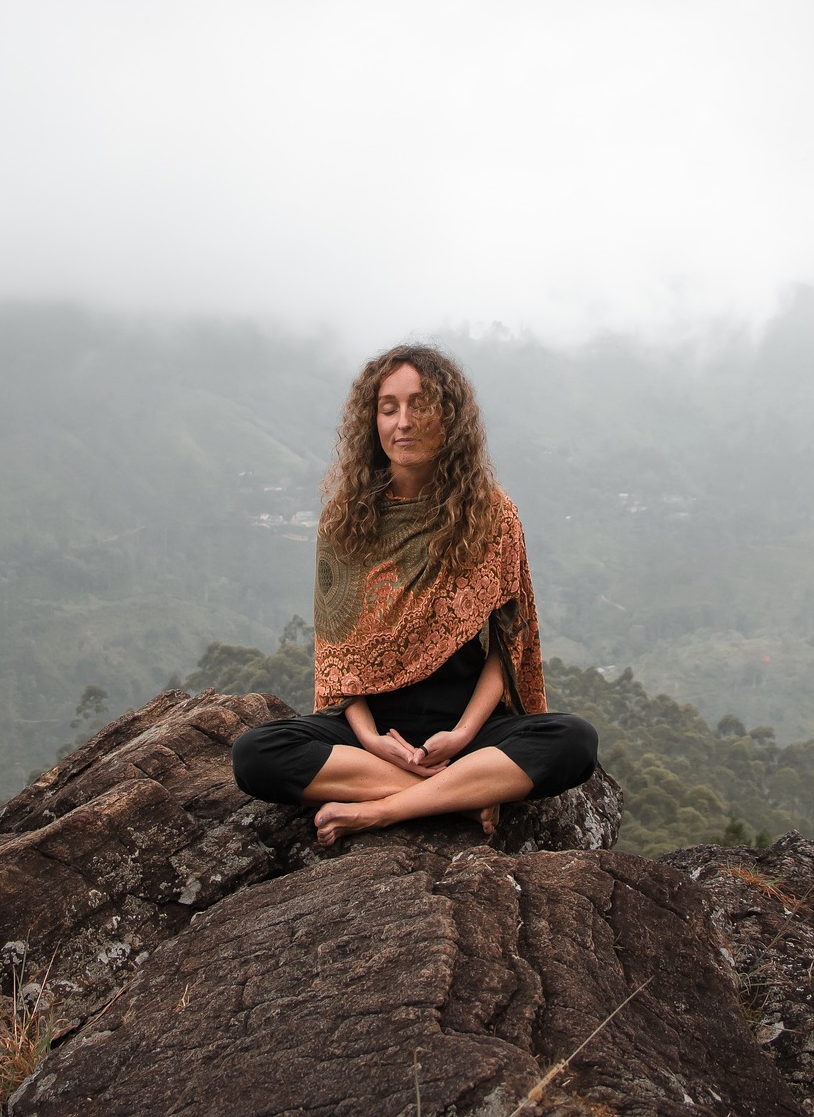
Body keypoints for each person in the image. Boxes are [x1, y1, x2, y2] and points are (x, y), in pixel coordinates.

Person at [232, 344, 598, 845]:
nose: (403, 422)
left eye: (419, 405)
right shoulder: (346, 520)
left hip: (464, 726)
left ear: (449, 417)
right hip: (375, 732)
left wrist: (465, 735)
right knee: (256, 755)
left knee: (574, 743)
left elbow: (509, 645)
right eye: (388, 408)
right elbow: (338, 657)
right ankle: (461, 797)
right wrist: (369, 739)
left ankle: (382, 810)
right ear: (373, 422)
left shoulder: (492, 516)